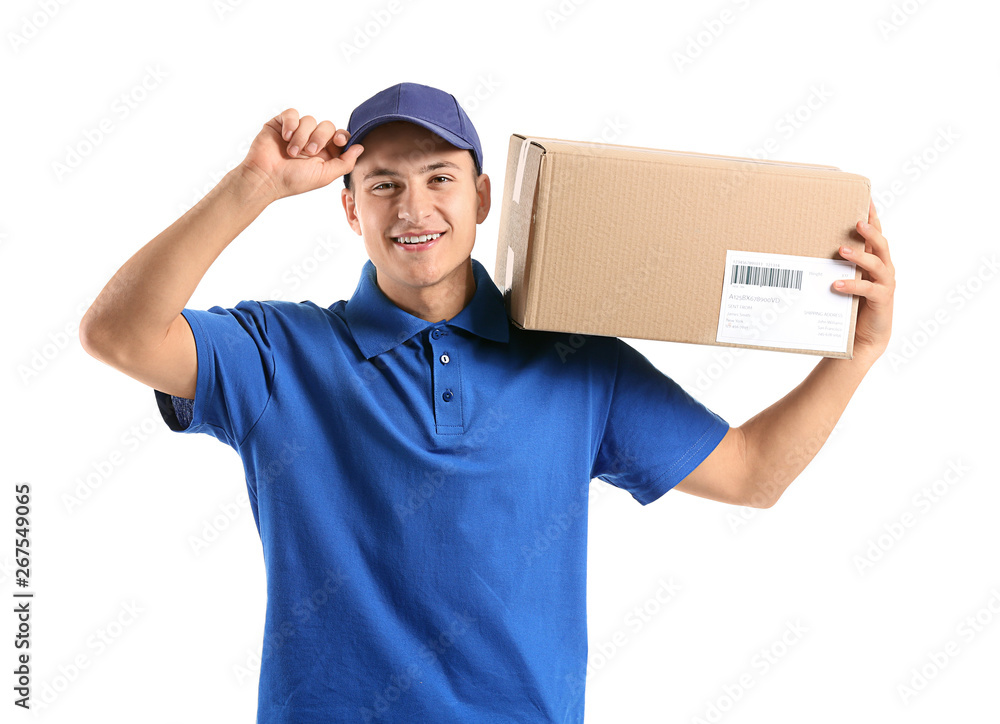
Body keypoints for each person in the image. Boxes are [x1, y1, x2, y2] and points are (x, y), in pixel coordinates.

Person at [79, 81, 896, 723]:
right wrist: (252, 185)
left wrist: (857, 356)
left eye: (439, 179)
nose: (414, 209)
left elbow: (751, 473)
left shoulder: (576, 361)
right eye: (384, 184)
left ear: (481, 196)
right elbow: (117, 332)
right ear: (349, 206)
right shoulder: (278, 355)